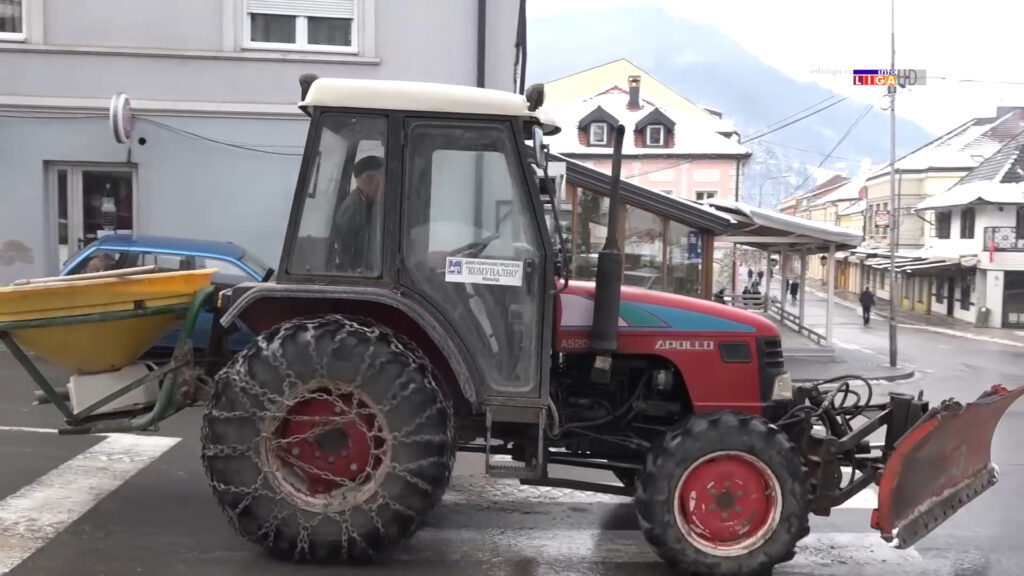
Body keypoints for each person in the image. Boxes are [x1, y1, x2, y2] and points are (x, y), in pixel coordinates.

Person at [330, 155, 384, 274]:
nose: (383, 184)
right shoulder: (352, 208)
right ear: (369, 179)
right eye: (380, 178)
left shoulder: (371, 204)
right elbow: (344, 250)